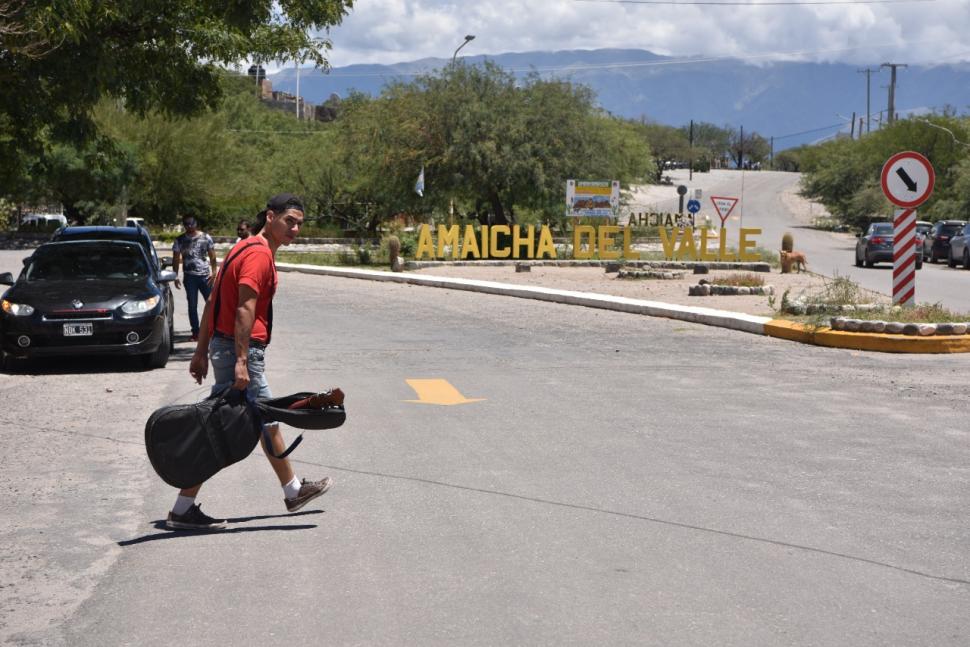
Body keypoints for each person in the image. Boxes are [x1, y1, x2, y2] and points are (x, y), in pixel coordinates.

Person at [166, 194, 331, 530]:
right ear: (270, 217)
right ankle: (183, 508)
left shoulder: (242, 248)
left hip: (228, 348)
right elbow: (244, 307)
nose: (295, 229)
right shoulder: (257, 255)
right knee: (220, 428)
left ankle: (293, 490)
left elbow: (213, 300)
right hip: (240, 351)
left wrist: (201, 352)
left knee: (263, 421)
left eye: (299, 223)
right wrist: (241, 359)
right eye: (289, 221)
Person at [172, 216, 217, 342]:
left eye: (191, 224)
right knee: (192, 306)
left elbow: (212, 255)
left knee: (212, 303)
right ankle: (196, 332)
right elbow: (176, 258)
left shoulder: (205, 237)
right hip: (189, 277)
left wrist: (214, 273)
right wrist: (175, 276)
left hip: (204, 276)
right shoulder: (180, 240)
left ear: (196, 224)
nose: (189, 227)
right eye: (186, 224)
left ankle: (214, 330)